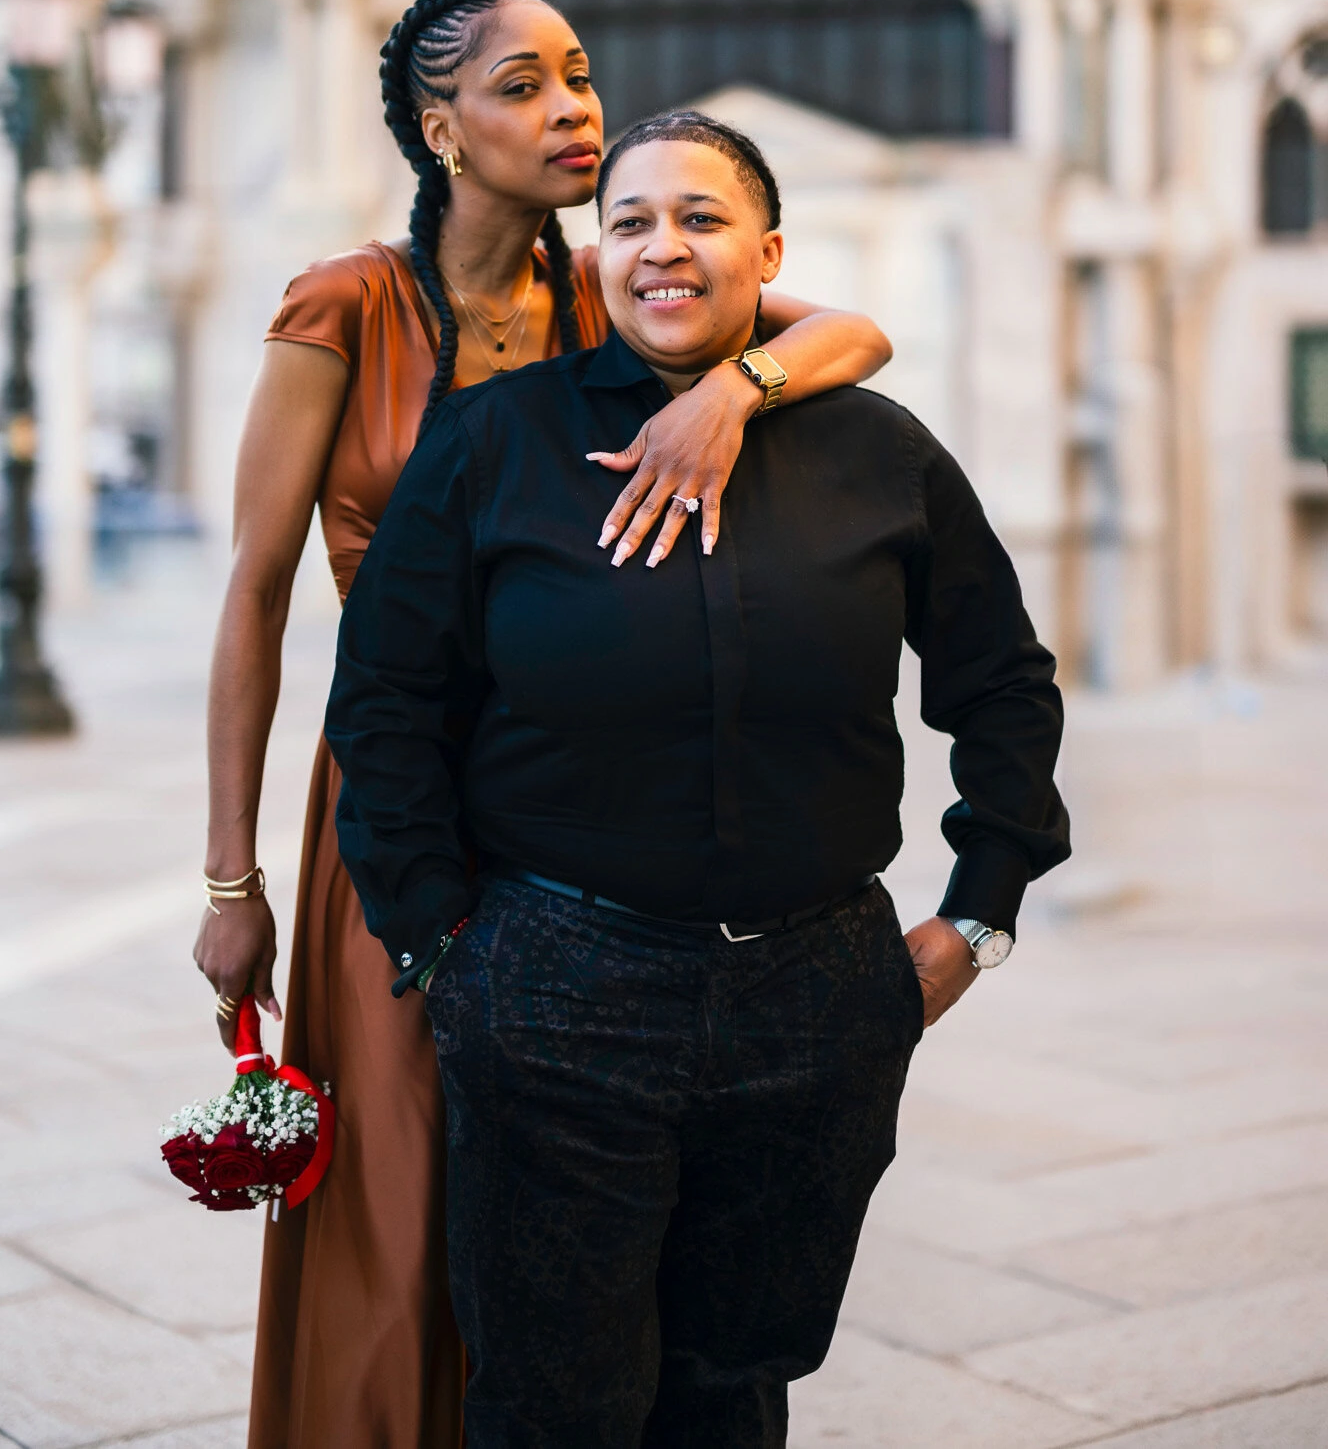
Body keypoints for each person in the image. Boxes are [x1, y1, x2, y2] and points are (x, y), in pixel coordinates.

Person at [192, 0, 891, 1449]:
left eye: (580, 74)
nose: (575, 107)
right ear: (441, 130)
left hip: (582, 796)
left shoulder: (614, 283)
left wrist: (733, 391)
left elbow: (858, 337)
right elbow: (254, 593)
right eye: (526, 85)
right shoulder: (346, 303)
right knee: (406, 1190)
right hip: (396, 804)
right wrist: (229, 882)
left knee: (585, 1203)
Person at [327, 109, 1070, 1449]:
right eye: (629, 222)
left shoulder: (879, 453)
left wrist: (980, 913)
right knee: (556, 1403)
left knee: (736, 1385)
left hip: (821, 996)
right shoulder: (494, 443)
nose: (661, 248)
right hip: (553, 983)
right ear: (595, 258)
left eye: (701, 218)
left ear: (769, 251)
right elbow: (385, 701)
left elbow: (1004, 684)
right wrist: (444, 944)